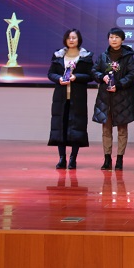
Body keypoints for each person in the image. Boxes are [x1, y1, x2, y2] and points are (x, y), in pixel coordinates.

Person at [92, 27, 134, 171]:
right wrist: (102, 77)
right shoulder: (103, 56)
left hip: (123, 98)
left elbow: (132, 74)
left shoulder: (128, 57)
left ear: (122, 40)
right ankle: (107, 159)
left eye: (117, 37)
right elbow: (94, 70)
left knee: (122, 130)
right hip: (105, 98)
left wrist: (118, 85)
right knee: (106, 130)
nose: (114, 40)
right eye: (111, 37)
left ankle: (119, 159)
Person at [47, 29, 93, 169]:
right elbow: (50, 73)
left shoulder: (85, 56)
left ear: (79, 39)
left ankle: (73, 158)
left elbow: (91, 76)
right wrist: (59, 78)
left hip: (77, 98)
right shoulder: (58, 55)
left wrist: (76, 77)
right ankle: (62, 158)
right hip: (61, 98)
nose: (71, 40)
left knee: (76, 128)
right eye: (69, 38)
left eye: (74, 37)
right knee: (60, 126)